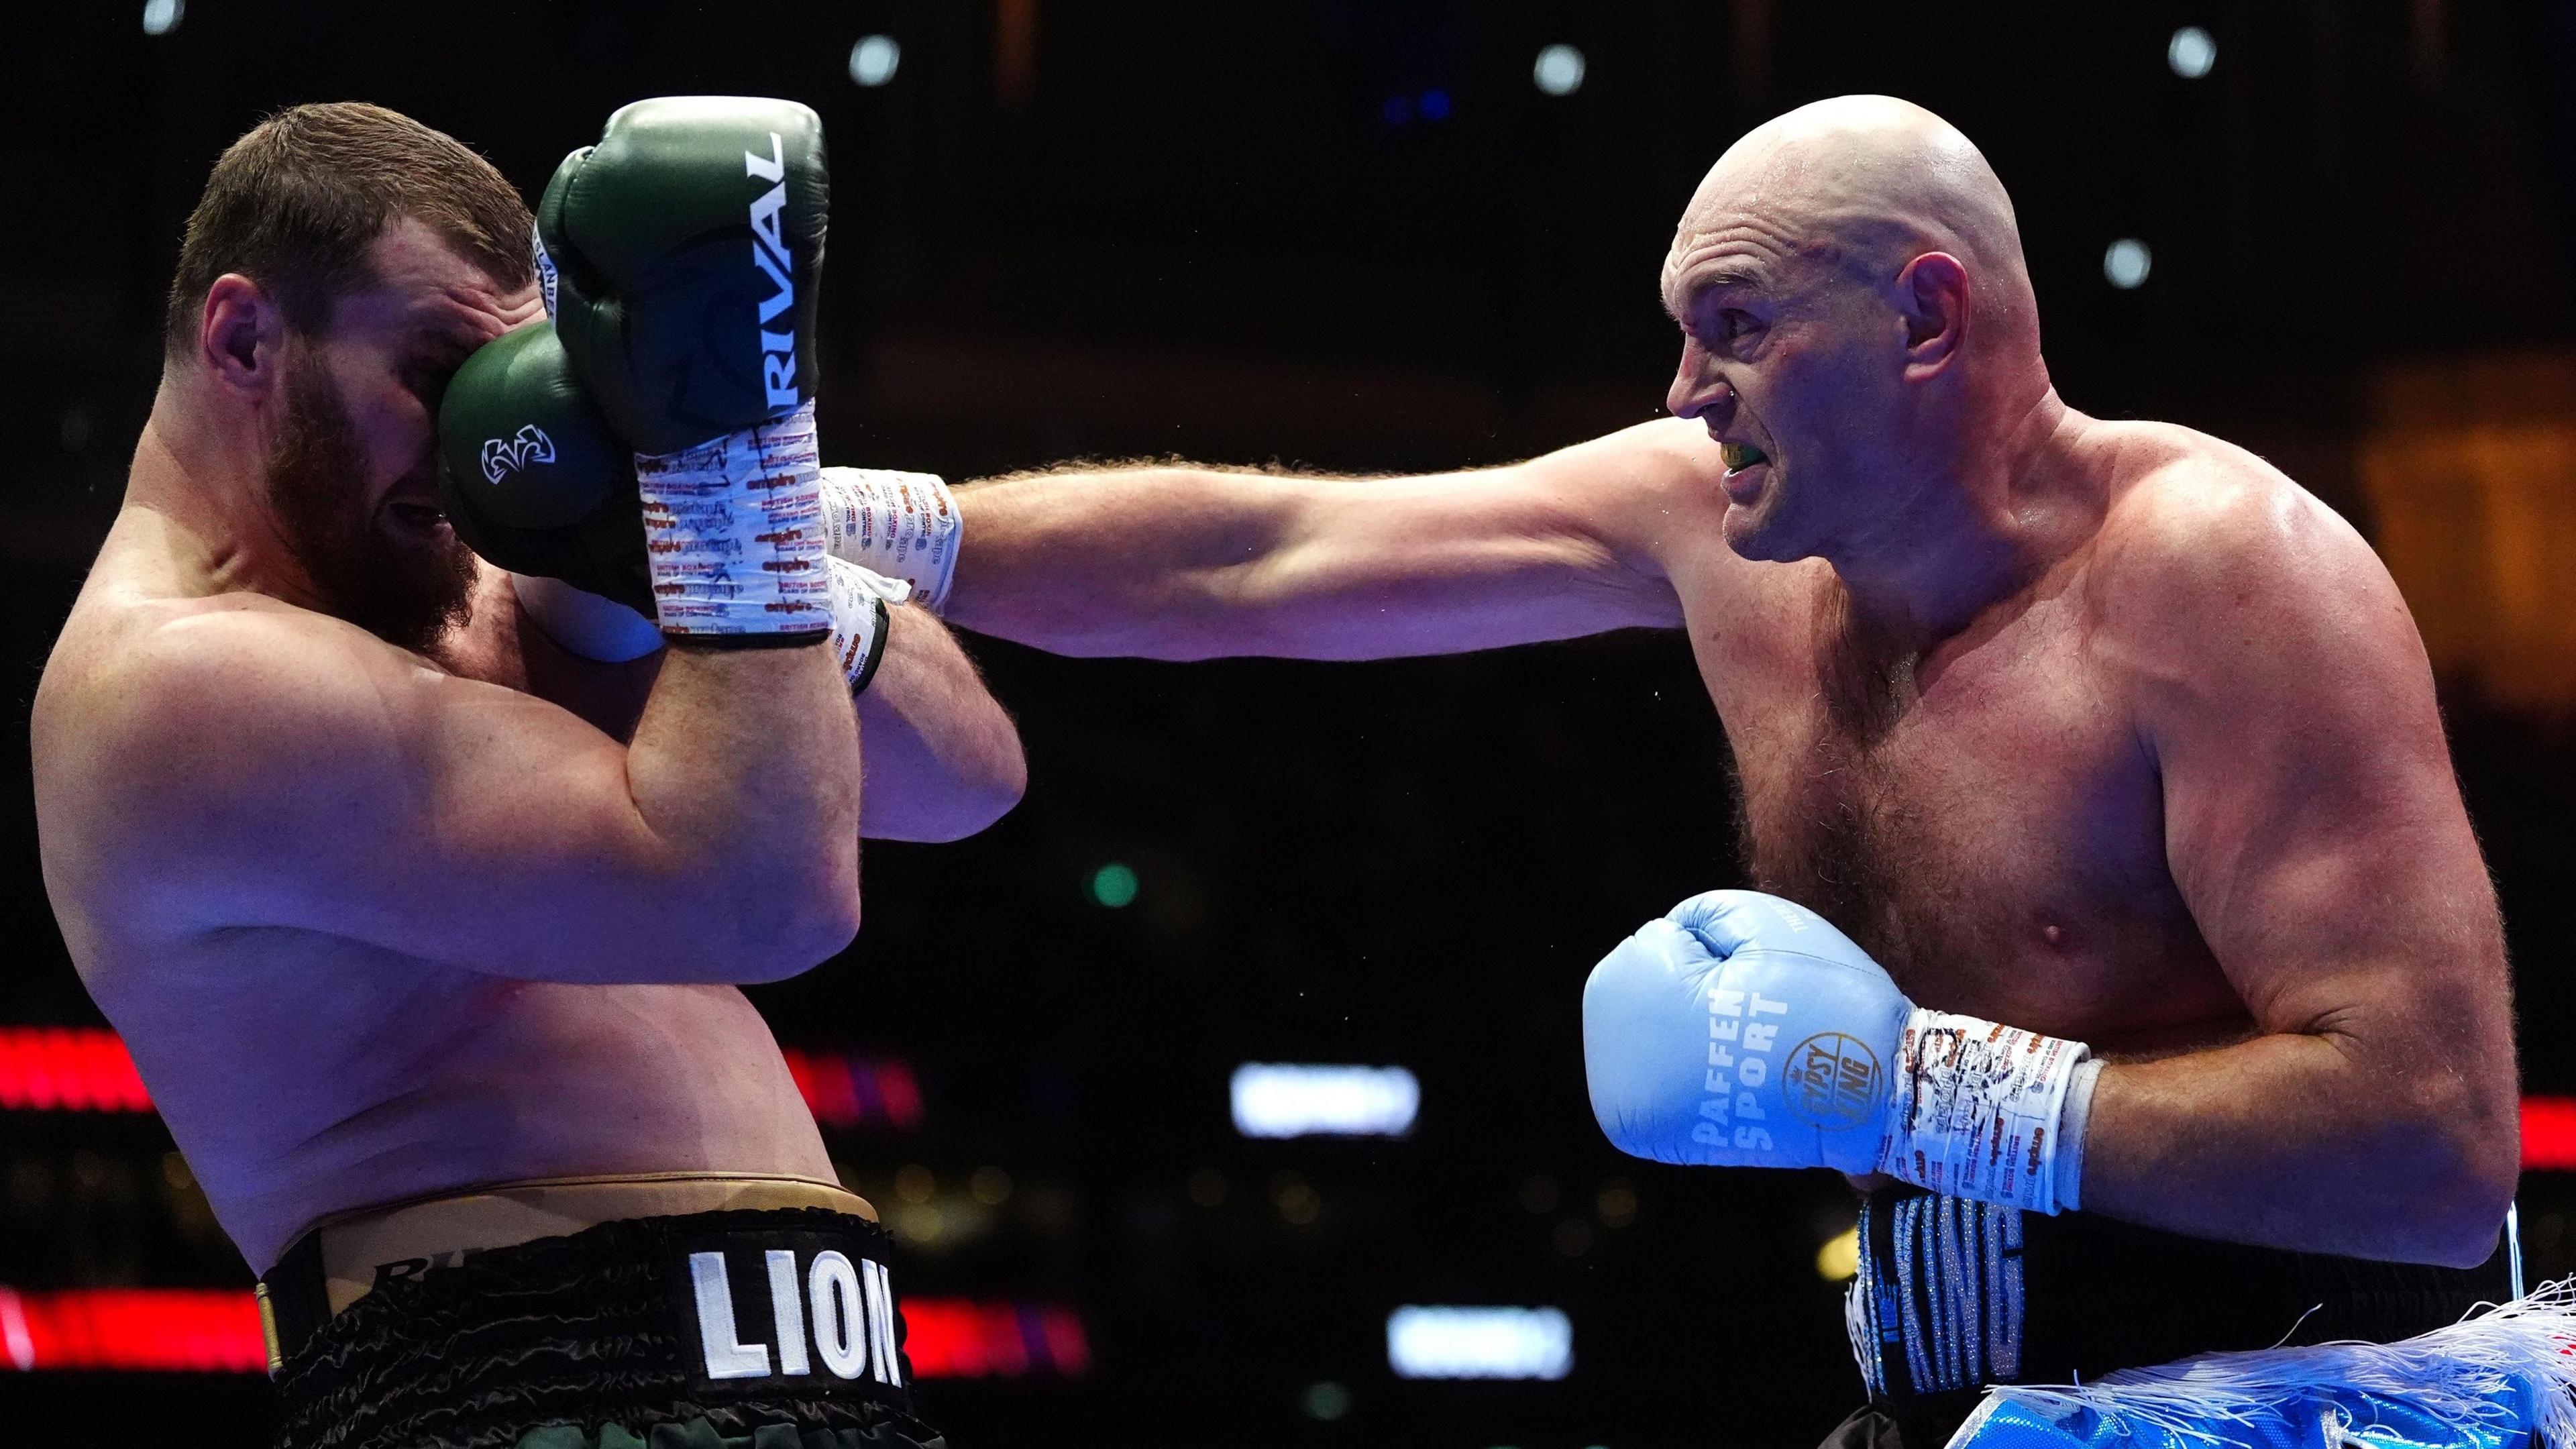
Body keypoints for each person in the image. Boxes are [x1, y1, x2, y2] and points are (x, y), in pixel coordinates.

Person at [903, 96, 2522, 1443]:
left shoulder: (2222, 575)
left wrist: (1917, 1093)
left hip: (2312, 1405)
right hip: (1950, 1393)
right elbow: (1265, 556)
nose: (1687, 394)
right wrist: (880, 534)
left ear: (1927, 318)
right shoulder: (1723, 528)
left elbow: (2438, 1153)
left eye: (1736, 329)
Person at [33, 100, 1018, 1448]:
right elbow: (763, 902)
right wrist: (728, 467)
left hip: (828, 1377)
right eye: (438, 371)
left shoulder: (480, 575)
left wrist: (694, 481)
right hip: (516, 1393)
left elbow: (969, 779)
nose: (470, 439)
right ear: (243, 336)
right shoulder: (174, 688)